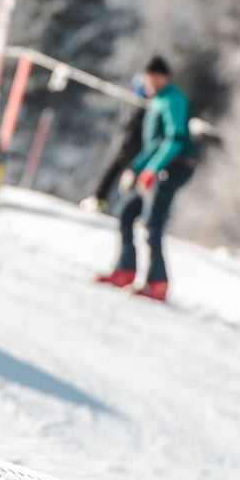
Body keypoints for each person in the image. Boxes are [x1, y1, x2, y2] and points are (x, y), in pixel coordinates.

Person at [94, 56, 197, 301]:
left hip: (175, 166)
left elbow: (175, 139)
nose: (149, 82)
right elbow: (153, 145)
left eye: (154, 78)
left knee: (153, 222)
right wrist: (135, 168)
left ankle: (157, 281)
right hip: (158, 166)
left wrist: (152, 170)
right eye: (147, 77)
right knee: (127, 211)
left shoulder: (173, 99)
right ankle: (125, 269)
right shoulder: (157, 101)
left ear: (165, 78)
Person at [79, 74, 149, 213]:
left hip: (134, 149)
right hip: (132, 147)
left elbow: (134, 130)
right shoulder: (139, 106)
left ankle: (104, 202)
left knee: (120, 175)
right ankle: (101, 201)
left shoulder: (147, 108)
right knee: (118, 175)